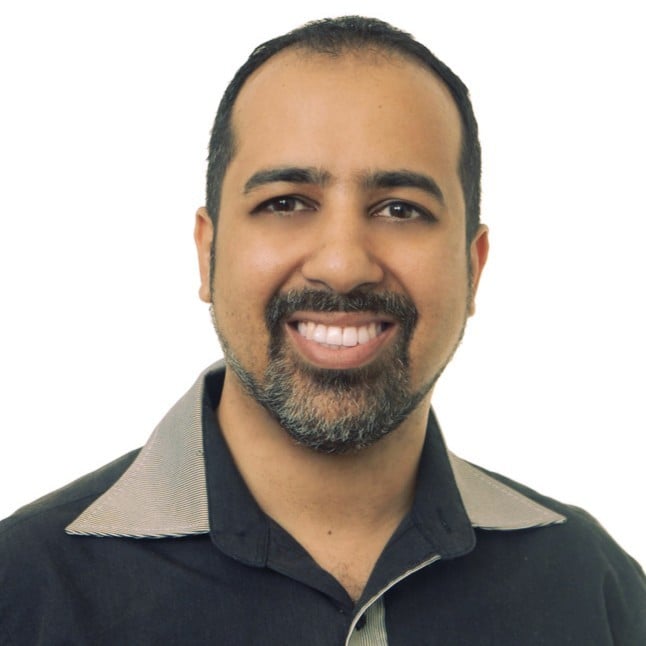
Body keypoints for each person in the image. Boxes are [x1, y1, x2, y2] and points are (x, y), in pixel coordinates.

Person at [1, 15, 644, 645]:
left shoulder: (594, 587)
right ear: (208, 253)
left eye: (401, 209)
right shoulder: (25, 590)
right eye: (285, 202)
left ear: (472, 269)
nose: (342, 265)